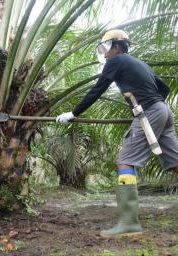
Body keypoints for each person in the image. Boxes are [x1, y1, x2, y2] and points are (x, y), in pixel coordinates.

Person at [56, 29, 178, 238]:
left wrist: (73, 113)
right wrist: (150, 104)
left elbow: (97, 89)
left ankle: (129, 224)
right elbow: (164, 89)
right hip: (164, 112)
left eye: (105, 48)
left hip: (150, 113)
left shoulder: (116, 61)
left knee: (126, 162)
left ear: (116, 46)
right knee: (175, 162)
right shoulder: (140, 64)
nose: (104, 54)